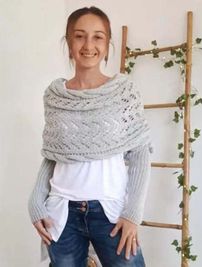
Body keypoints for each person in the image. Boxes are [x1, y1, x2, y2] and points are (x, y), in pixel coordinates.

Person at [28, 6, 153, 267]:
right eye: (79, 36)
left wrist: (133, 215)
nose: (88, 45)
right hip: (61, 211)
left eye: (98, 36)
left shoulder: (124, 92)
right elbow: (54, 155)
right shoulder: (55, 96)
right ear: (69, 42)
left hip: (111, 211)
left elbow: (140, 153)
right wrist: (35, 201)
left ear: (107, 44)